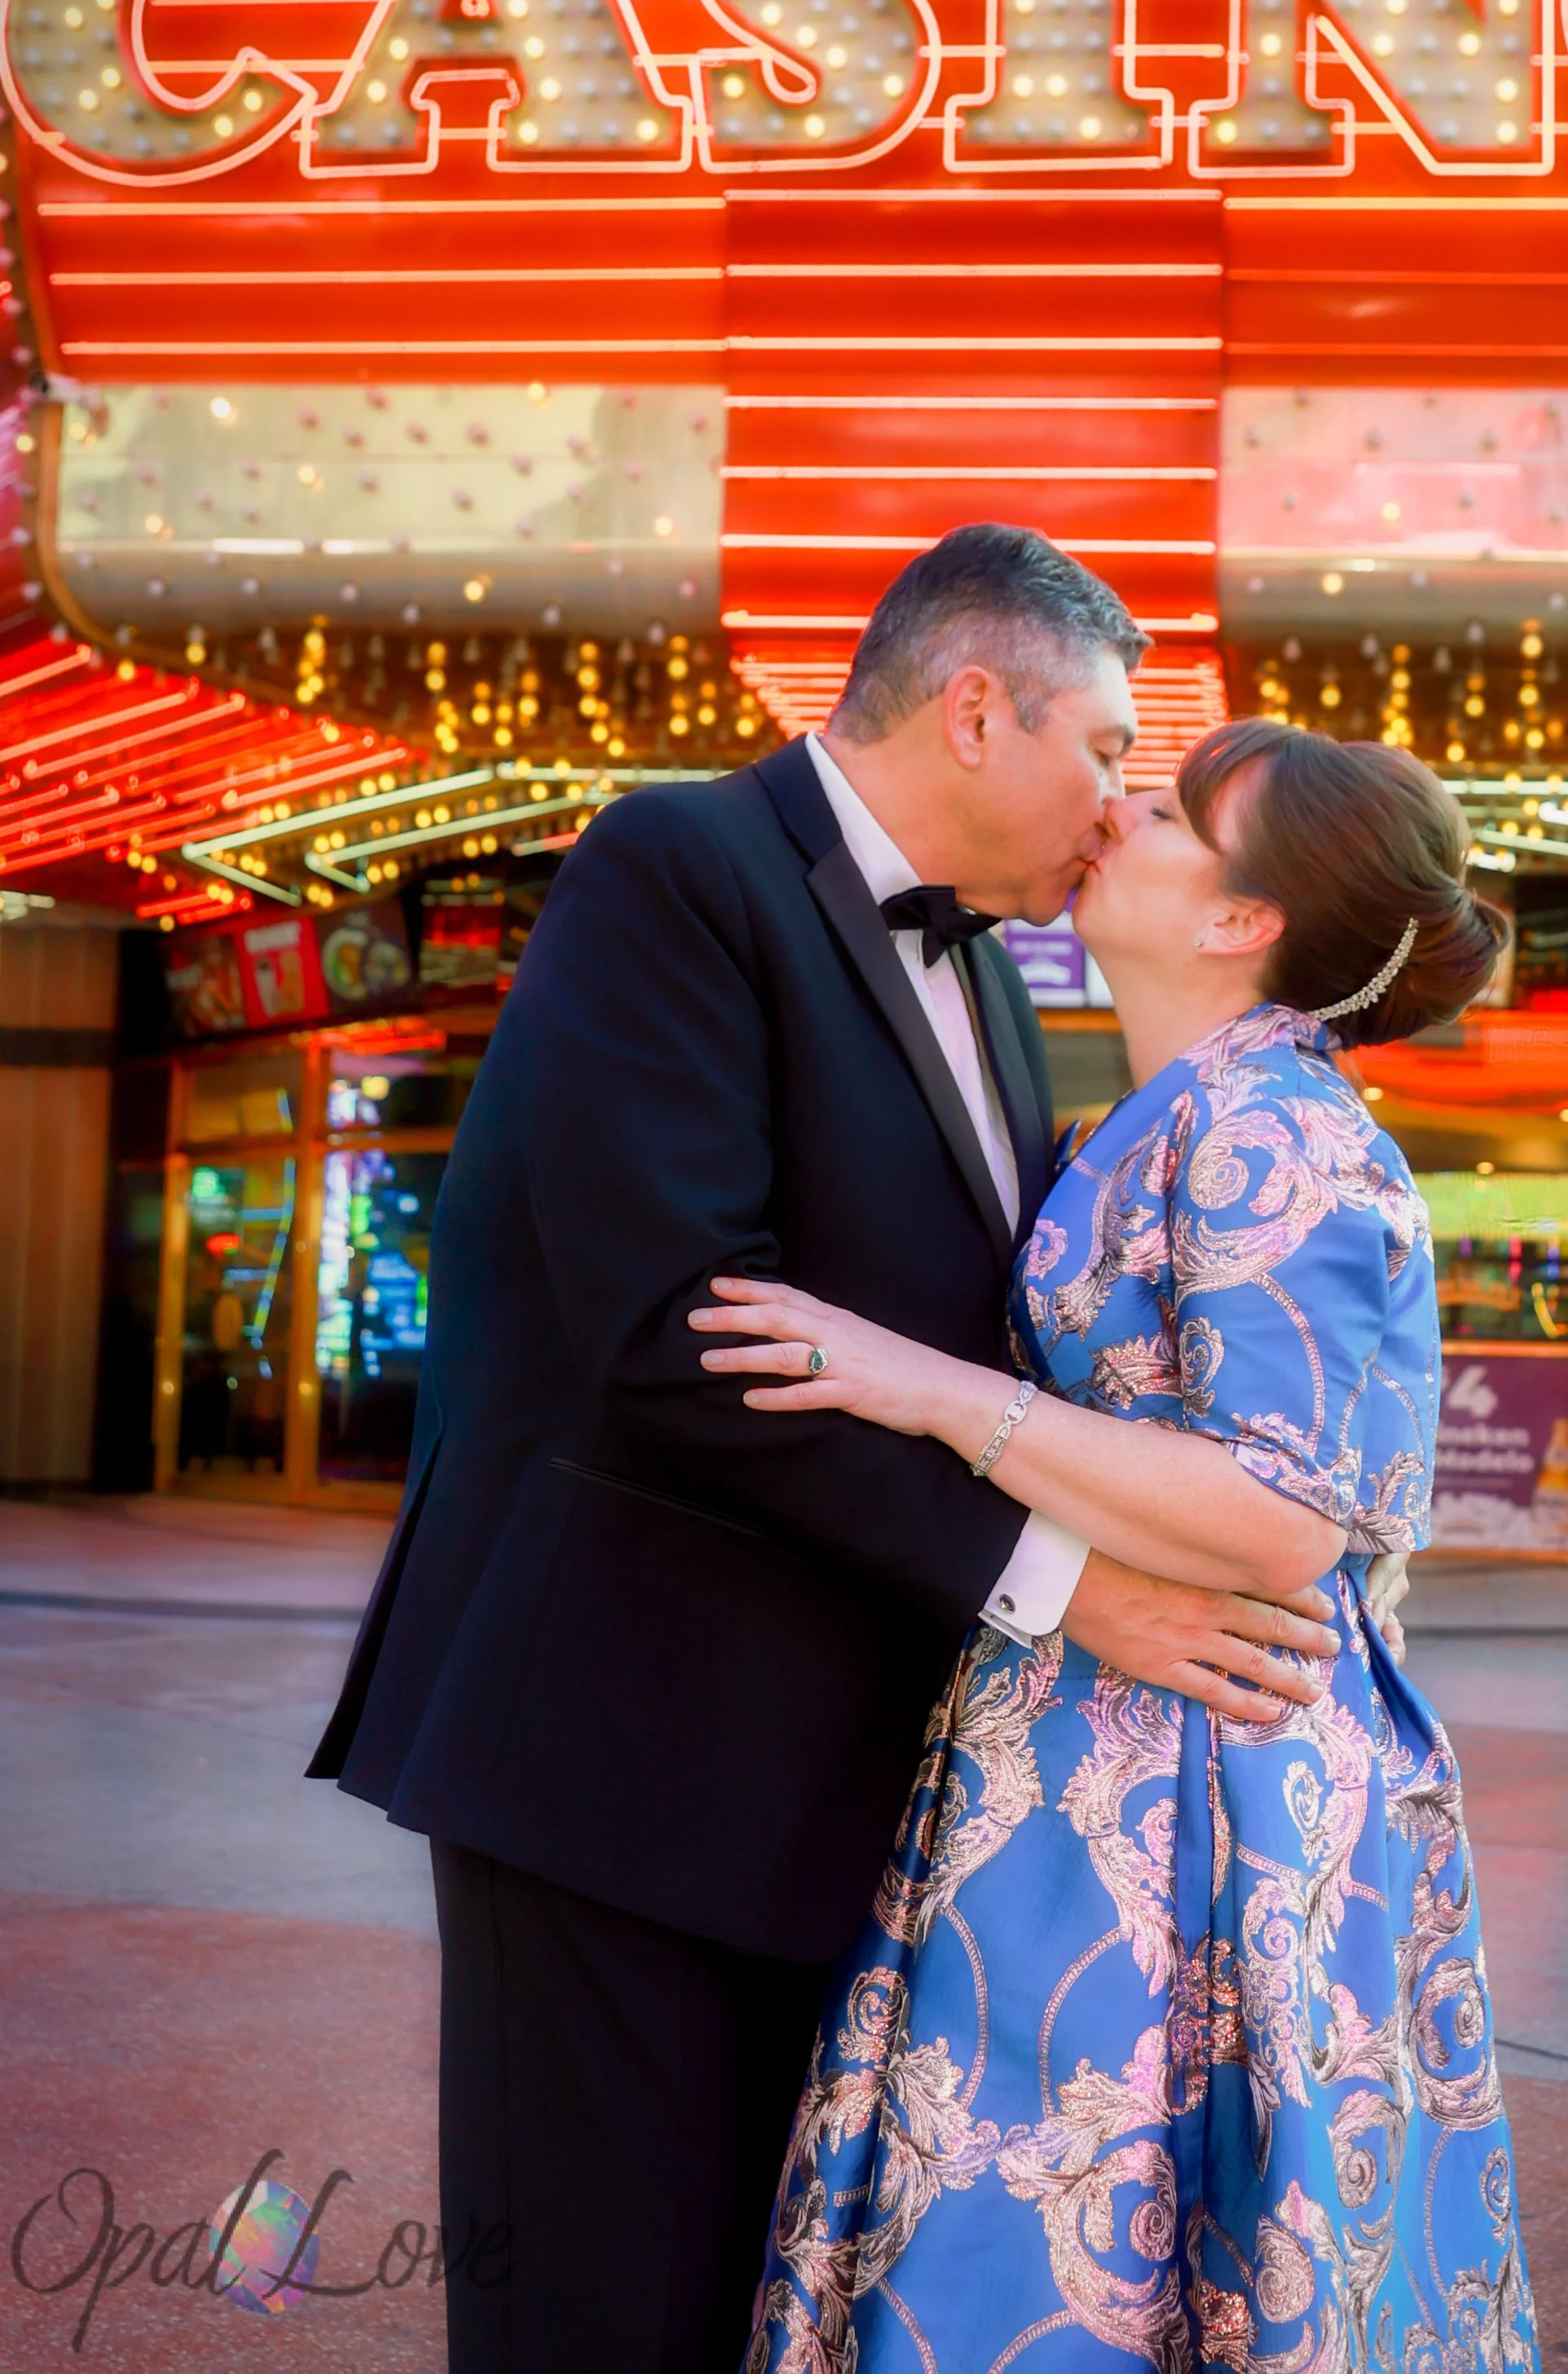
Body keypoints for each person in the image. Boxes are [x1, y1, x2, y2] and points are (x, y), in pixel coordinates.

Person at [307, 527, 1348, 2374]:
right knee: (597, 2313)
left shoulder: (1012, 994)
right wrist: (1063, 1589)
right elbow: (675, 1343)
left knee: (754, 2316)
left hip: (847, 1780)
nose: (1115, 805)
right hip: (622, 1751)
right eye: (1104, 748)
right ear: (972, 709)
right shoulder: (680, 865)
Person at [694, 720, 1540, 2374]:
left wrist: (924, 1387)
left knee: (1088, 2197)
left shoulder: (1269, 1130)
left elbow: (1283, 1514)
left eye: (1162, 813)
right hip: (1115, 1736)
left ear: (1239, 921)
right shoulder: (1160, 1117)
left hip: (1199, 1774)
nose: (1110, 812)